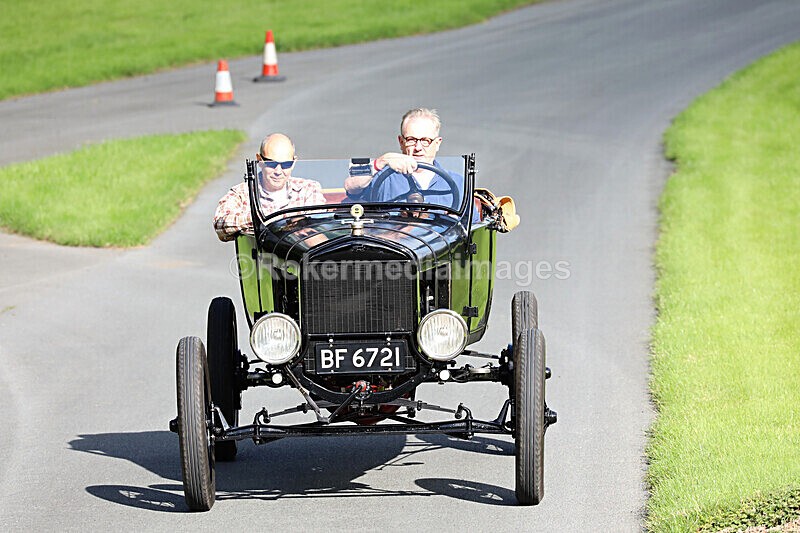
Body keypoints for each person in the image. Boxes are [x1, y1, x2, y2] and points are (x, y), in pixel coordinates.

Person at [213, 133, 325, 241]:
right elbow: (220, 224)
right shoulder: (242, 193)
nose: (278, 171)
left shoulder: (308, 188)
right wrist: (261, 218)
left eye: (286, 164)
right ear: (259, 161)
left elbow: (317, 222)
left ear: (294, 162)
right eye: (271, 164)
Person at [344, 108, 462, 209]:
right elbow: (351, 186)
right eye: (411, 140)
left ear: (437, 143)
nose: (418, 147)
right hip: (390, 235)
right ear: (401, 142)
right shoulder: (383, 179)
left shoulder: (458, 183)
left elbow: (473, 226)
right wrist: (379, 163)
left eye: (426, 141)